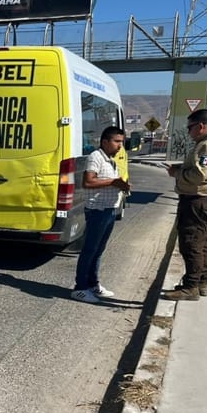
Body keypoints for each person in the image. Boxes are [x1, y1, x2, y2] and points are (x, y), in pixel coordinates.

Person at [162, 108, 207, 301]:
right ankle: (200, 281)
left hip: (197, 200)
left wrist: (177, 173)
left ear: (200, 126)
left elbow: (199, 175)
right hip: (205, 200)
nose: (188, 131)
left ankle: (191, 287)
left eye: (190, 127)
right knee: (201, 244)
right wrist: (181, 168)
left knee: (191, 244)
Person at [71, 126, 131, 303]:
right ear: (105, 141)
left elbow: (109, 182)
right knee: (89, 249)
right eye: (117, 141)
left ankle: (93, 284)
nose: (120, 145)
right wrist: (114, 182)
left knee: (98, 250)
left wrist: (122, 185)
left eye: (122, 142)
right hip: (97, 210)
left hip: (109, 209)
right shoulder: (95, 157)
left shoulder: (110, 160)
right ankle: (80, 288)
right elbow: (88, 182)